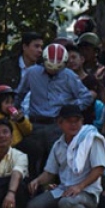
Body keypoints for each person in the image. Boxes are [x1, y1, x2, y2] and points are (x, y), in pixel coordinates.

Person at [26, 105, 105, 208]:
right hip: (64, 190)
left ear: (82, 122)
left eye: (76, 121)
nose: (73, 124)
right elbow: (49, 172)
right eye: (69, 121)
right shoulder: (58, 145)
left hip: (87, 192)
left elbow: (99, 169)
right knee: (33, 207)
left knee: (66, 203)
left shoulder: (91, 139)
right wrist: (37, 181)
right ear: (60, 123)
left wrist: (79, 187)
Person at [15, 43, 94, 176]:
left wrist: (69, 110)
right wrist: (15, 111)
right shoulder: (32, 73)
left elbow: (86, 97)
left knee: (59, 161)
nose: (53, 71)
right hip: (35, 125)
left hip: (58, 125)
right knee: (33, 161)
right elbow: (20, 94)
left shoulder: (69, 76)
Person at [0, 85, 32, 153]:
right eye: (7, 102)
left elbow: (28, 131)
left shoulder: (14, 117)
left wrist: (21, 120)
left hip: (18, 151)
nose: (10, 105)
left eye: (12, 102)